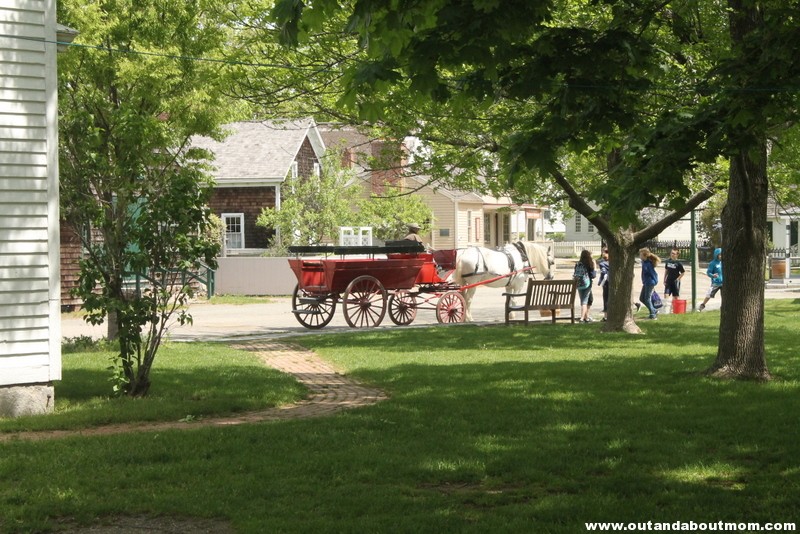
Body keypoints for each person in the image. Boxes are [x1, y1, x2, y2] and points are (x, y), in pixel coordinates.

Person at [573, 249, 596, 323]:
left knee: (583, 300)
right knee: (585, 301)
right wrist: (595, 267)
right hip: (587, 284)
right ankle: (582, 318)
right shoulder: (589, 264)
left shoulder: (578, 264)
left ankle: (586, 318)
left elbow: (575, 274)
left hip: (579, 284)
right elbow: (593, 275)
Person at [638, 247, 660, 320]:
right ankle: (654, 310)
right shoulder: (644, 262)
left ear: (644, 255)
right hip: (645, 283)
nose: (639, 256)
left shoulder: (648, 264)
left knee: (647, 299)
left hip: (650, 283)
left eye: (640, 255)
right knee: (642, 298)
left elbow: (653, 274)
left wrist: (655, 282)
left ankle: (653, 315)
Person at [663, 248, 685, 313]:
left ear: (677, 255)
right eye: (671, 253)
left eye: (674, 253)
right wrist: (664, 279)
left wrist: (678, 279)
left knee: (676, 297)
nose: (672, 255)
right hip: (668, 281)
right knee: (666, 294)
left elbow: (683, 272)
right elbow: (666, 271)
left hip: (675, 282)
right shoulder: (668, 262)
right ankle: (666, 309)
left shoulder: (678, 263)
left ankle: (674, 309)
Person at [597, 248, 610, 321]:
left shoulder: (602, 263)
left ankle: (606, 316)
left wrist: (600, 282)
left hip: (606, 282)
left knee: (606, 298)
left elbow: (603, 273)